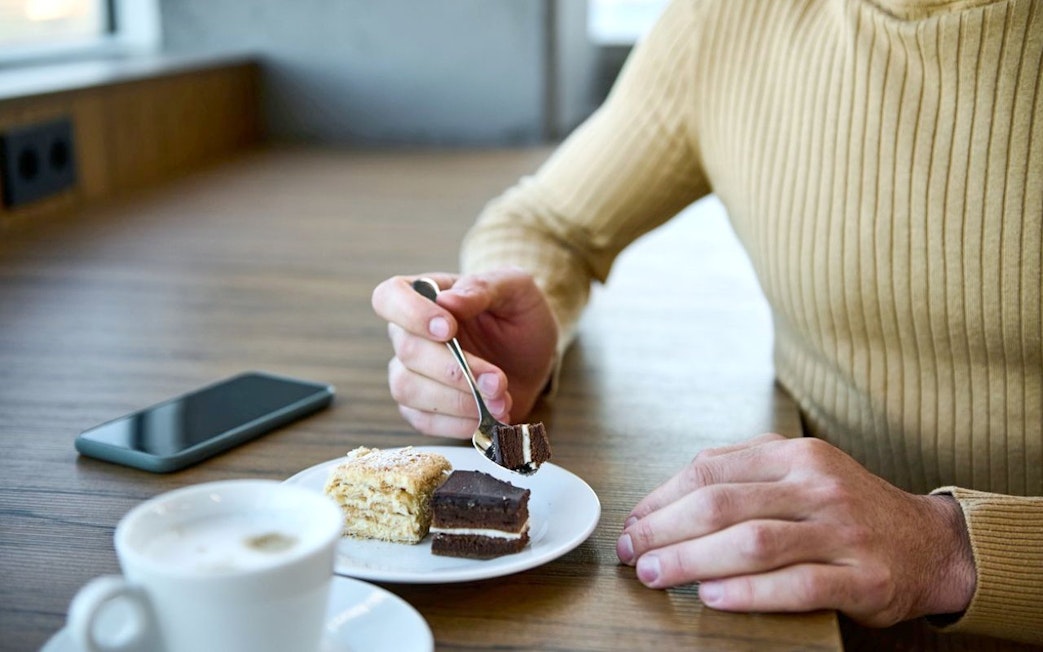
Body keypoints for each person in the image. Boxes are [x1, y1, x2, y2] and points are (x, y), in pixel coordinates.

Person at [371, 0, 1042, 647]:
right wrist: (518, 324)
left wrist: (952, 549)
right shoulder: (728, 17)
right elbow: (547, 223)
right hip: (806, 616)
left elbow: (942, 555)